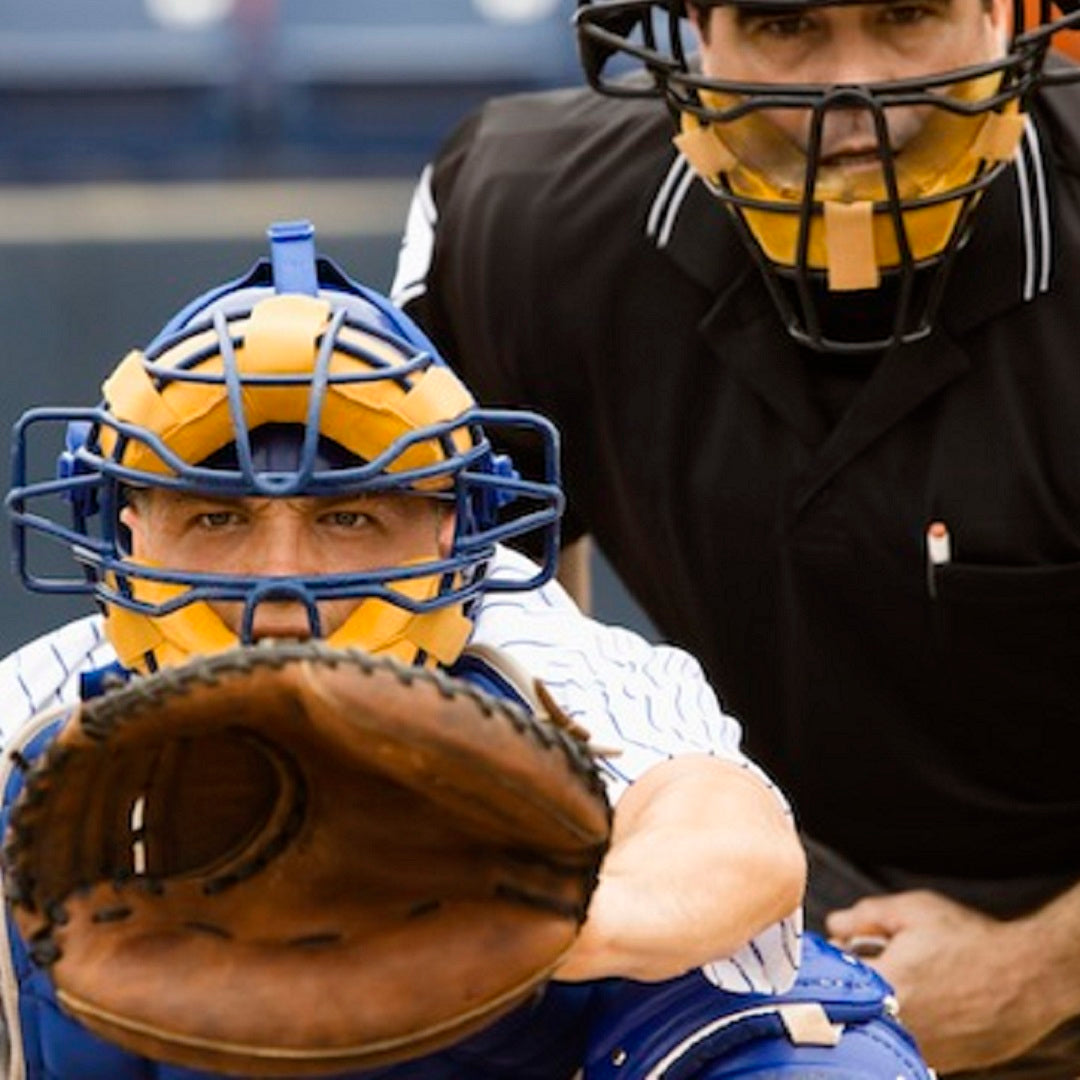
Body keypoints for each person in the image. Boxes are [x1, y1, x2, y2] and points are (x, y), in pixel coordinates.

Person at [0, 223, 932, 1079]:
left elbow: (733, 842)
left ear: (448, 532)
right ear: (130, 532)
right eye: (217, 519)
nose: (280, 582)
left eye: (348, 518)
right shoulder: (35, 704)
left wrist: (520, 928)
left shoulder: (533, 650)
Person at [389, 1, 1080, 1076]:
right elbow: (484, 623)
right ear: (697, 36)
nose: (854, 95)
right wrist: (638, 885)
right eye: (784, 24)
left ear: (1003, 15)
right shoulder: (527, 219)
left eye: (908, 16)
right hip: (723, 912)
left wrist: (1036, 970)